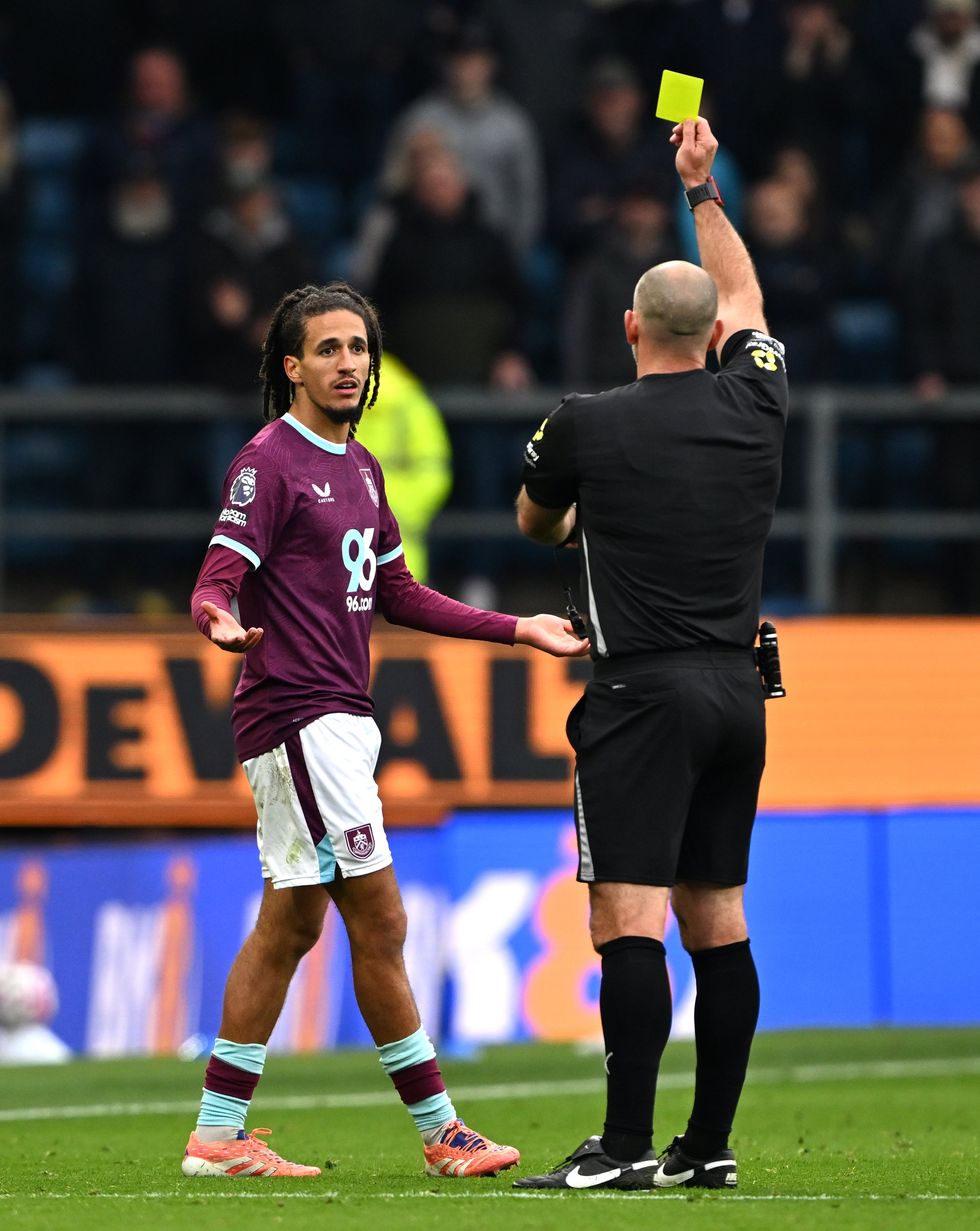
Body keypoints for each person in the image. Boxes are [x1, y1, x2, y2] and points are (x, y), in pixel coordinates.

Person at [185, 281, 588, 1180]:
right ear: (292, 367)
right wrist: (217, 618)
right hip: (299, 712)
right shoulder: (270, 462)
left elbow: (399, 594)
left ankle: (217, 1132)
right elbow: (216, 576)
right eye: (327, 350)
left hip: (339, 715)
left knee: (288, 925)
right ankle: (442, 1129)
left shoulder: (361, 467)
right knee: (383, 915)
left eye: (358, 349)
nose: (347, 364)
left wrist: (518, 629)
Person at [513, 116, 788, 1191]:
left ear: (629, 326)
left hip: (639, 690)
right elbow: (753, 304)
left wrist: (583, 527)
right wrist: (702, 189)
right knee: (714, 913)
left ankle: (622, 1148)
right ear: (712, 330)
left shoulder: (587, 420)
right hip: (737, 683)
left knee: (623, 915)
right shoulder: (758, 400)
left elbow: (536, 523)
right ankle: (704, 1144)